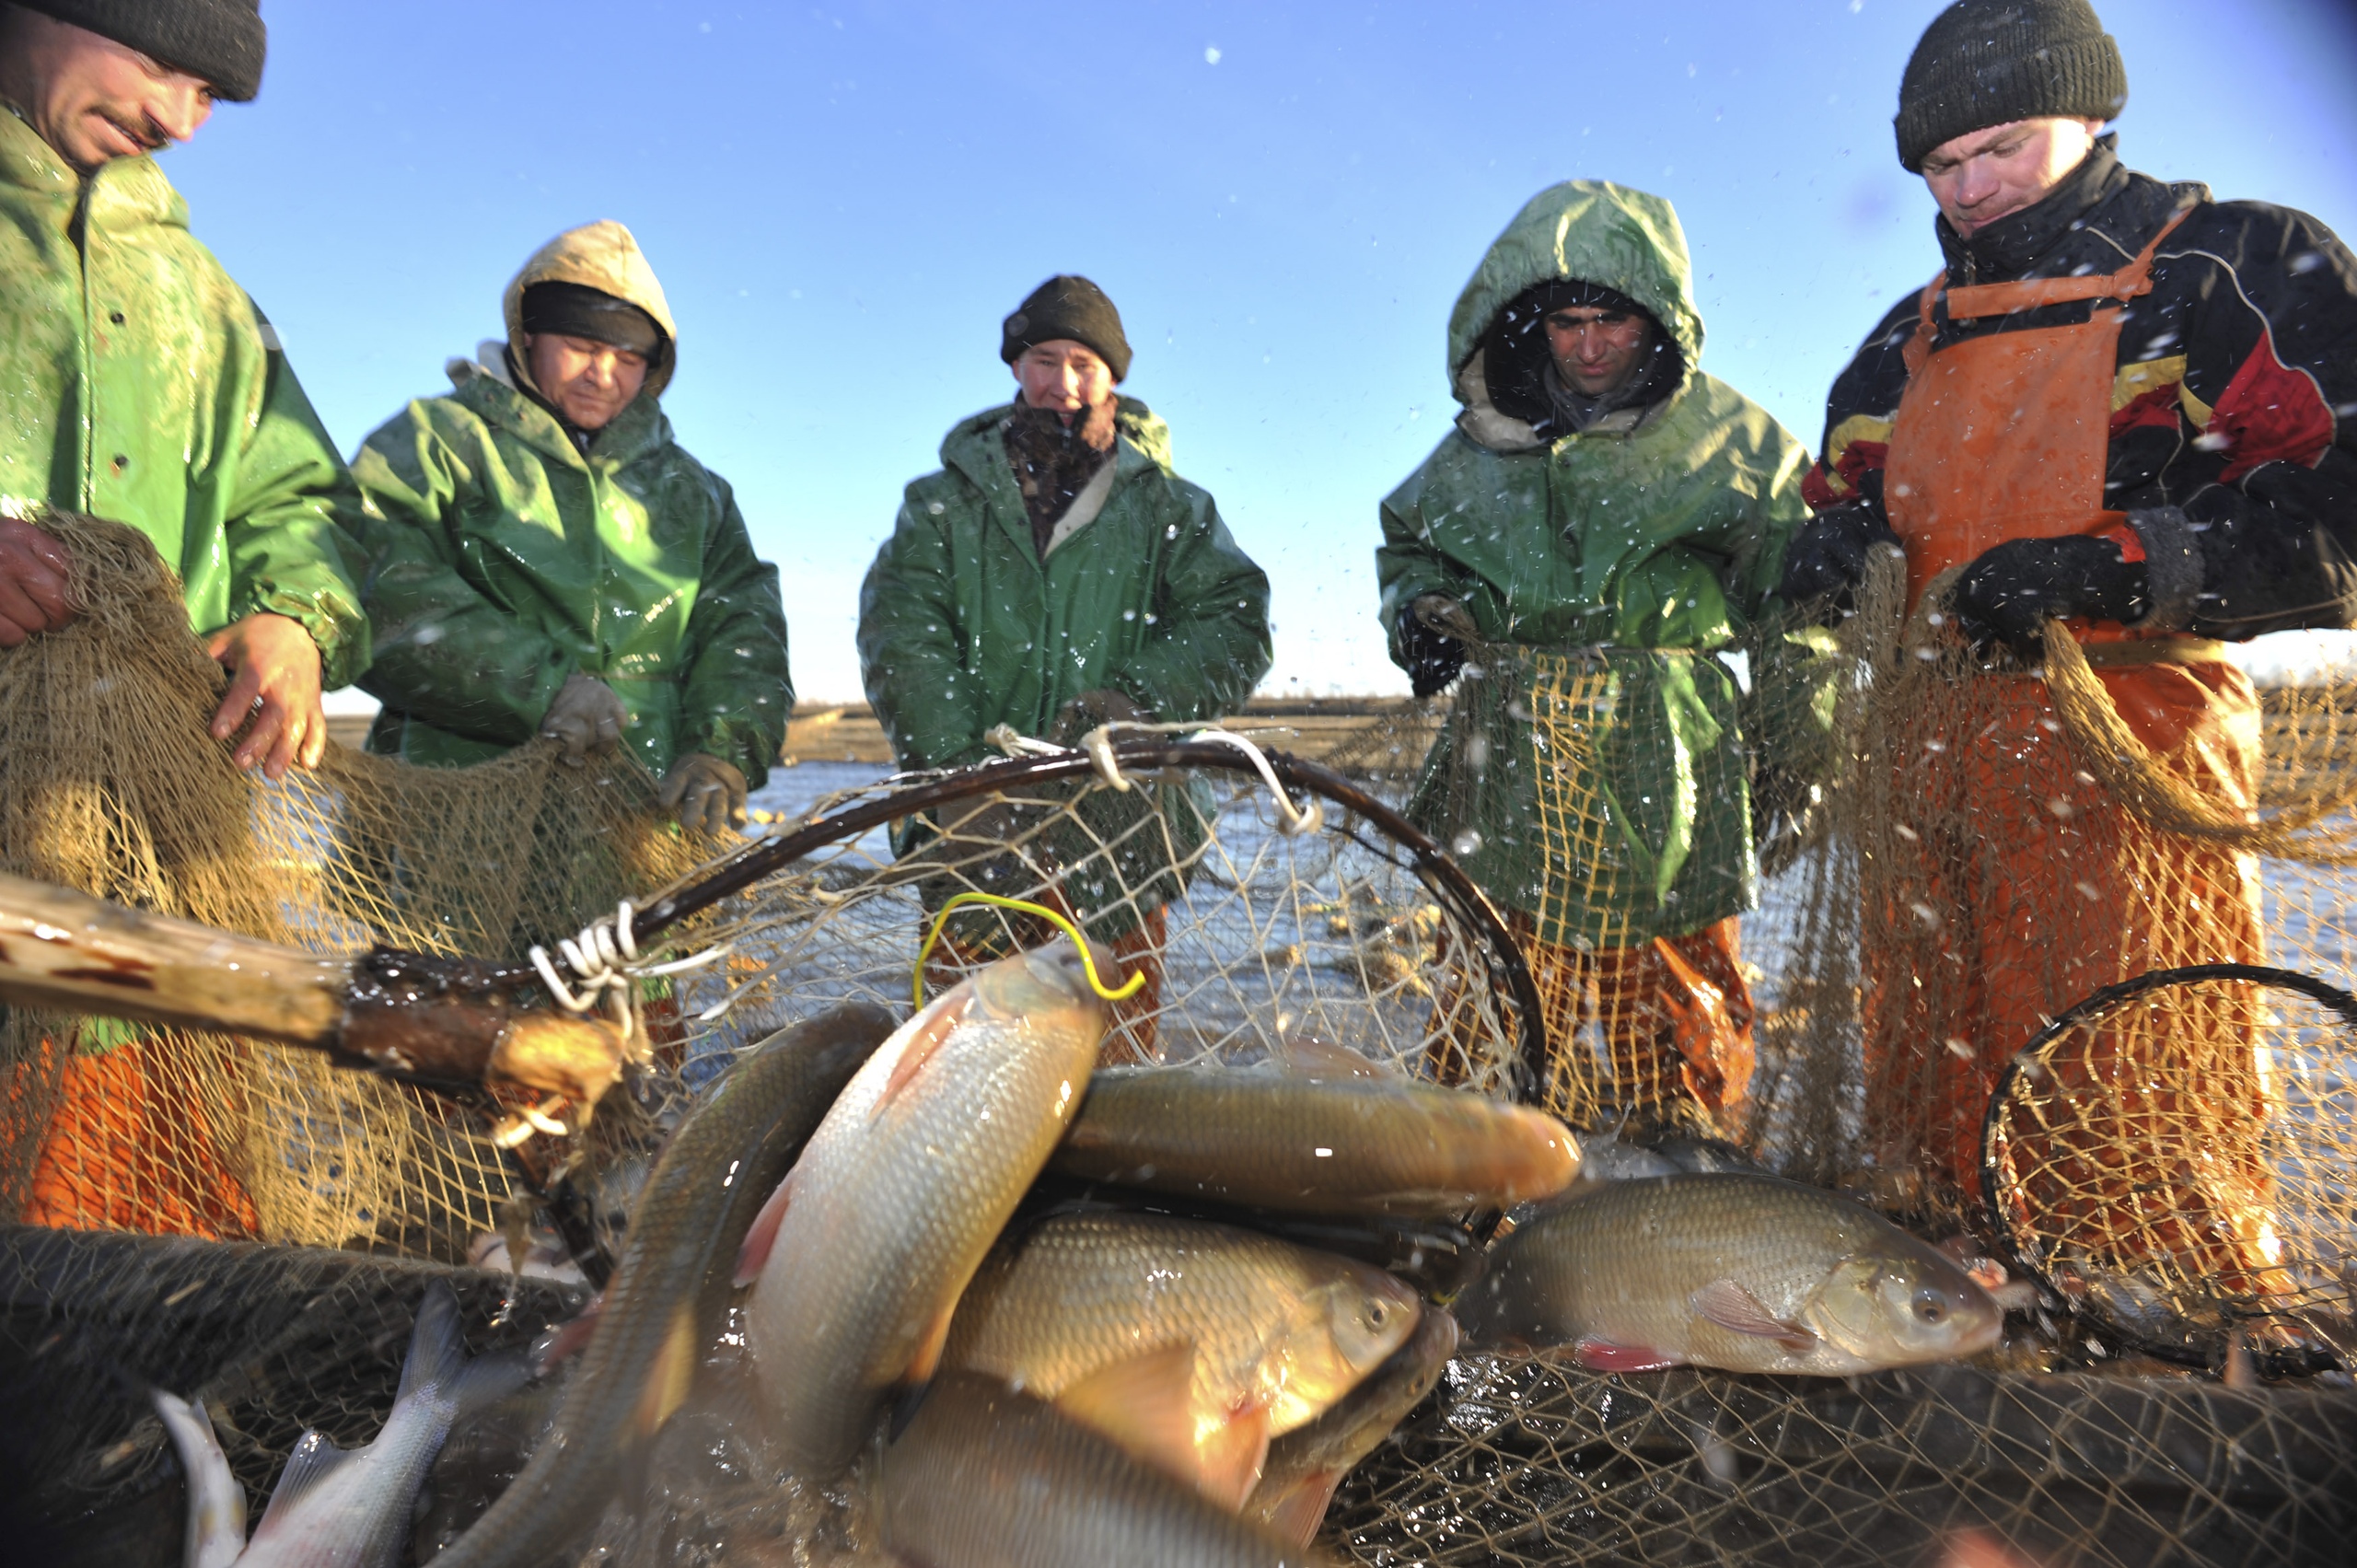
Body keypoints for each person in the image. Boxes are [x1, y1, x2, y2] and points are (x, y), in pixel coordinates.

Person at [1782, 0, 2357, 1262]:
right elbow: (1838, 509)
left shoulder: (2231, 267)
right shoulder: (1898, 343)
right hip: (1924, 756)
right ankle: (1957, 1320)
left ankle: (2162, 1348)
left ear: (2095, 114)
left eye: (2005, 147)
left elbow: (2338, 517)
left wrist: (2122, 562)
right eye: (1941, 165)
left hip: (2132, 749)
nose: (1972, 187)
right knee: (1930, 1092)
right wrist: (1820, 551)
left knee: (2140, 1084)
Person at [0, 0, 372, 1239]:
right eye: (156, 62)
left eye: (208, 95)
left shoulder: (215, 307)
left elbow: (298, 498)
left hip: (155, 906)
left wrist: (296, 620)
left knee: (154, 1264)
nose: (177, 117)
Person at [1377, 181, 1827, 1138]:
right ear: (1529, 326)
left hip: (1668, 752)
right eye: (1566, 323)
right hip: (1507, 757)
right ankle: (1477, 1202)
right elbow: (1409, 553)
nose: (1586, 347)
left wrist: (1798, 747)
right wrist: (1411, 613)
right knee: (1492, 998)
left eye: (1611, 322)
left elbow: (1798, 607)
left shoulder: (1734, 441)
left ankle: (1680, 1189)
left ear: (1654, 318)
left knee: (1676, 1006)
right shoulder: (1467, 454)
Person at [857, 276, 1271, 1060]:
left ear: (1114, 377)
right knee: (957, 1069)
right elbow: (900, 627)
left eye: (1085, 363)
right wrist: (960, 771)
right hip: (969, 828)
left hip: (1123, 828)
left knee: (1108, 1070)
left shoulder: (1172, 508)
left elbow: (1235, 619)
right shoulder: (940, 503)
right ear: (1016, 368)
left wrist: (1139, 698)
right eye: (1044, 360)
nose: (1064, 383)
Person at [350, 221, 792, 836]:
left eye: (629, 357)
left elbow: (745, 628)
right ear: (527, 336)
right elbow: (375, 587)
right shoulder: (436, 442)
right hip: (459, 825)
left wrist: (724, 746)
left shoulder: (698, 493)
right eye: (582, 346)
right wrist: (541, 684)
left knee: (650, 938)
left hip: (645, 826)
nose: (603, 374)